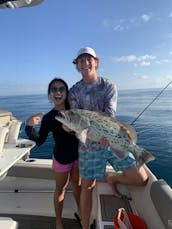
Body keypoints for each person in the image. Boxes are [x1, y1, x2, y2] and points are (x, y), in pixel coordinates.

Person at [69, 47, 148, 229]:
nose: (85, 63)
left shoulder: (109, 86)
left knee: (142, 179)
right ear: (77, 66)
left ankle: (113, 179)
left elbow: (109, 116)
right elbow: (76, 122)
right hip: (89, 146)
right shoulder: (74, 91)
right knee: (87, 186)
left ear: (96, 62)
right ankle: (85, 225)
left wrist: (106, 135)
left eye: (88, 59)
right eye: (80, 60)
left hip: (111, 141)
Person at [25, 78, 81, 229]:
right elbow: (40, 141)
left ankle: (81, 213)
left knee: (77, 185)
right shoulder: (49, 118)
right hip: (61, 159)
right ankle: (58, 222)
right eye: (54, 89)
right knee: (60, 189)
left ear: (67, 92)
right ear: (50, 94)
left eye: (62, 89)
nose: (58, 92)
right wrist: (29, 127)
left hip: (79, 157)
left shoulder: (75, 110)